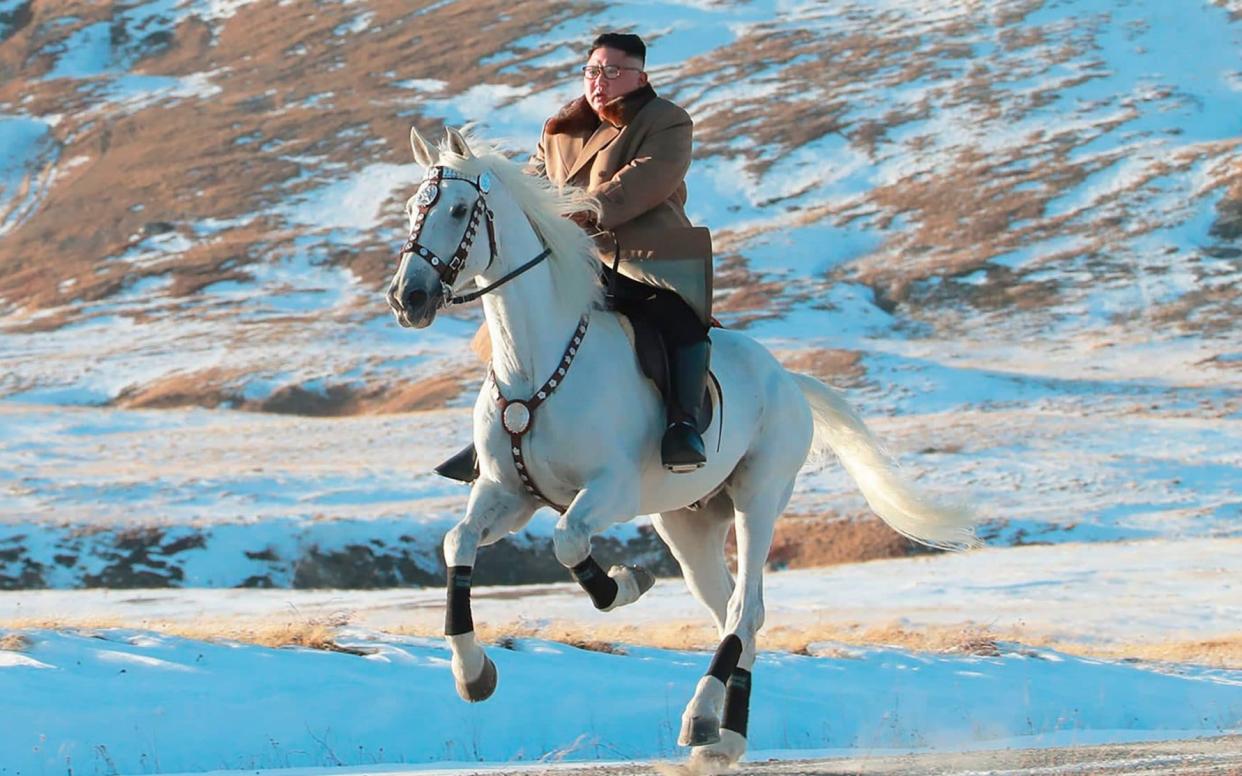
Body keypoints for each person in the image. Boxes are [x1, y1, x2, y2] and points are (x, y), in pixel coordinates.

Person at [436, 32, 713, 482]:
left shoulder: (666, 122)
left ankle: (683, 427)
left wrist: (575, 214)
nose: (598, 81)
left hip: (642, 259)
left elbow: (643, 182)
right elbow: (532, 184)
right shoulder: (559, 127)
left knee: (678, 323)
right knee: (513, 326)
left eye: (611, 72)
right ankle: (499, 433)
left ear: (639, 77)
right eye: (591, 71)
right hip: (572, 260)